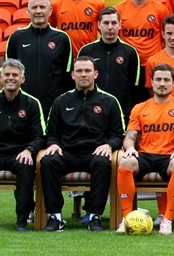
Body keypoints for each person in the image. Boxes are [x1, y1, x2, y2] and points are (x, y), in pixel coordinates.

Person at [40, 57, 124, 232]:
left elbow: (118, 134)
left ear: (95, 74)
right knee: (47, 162)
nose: (83, 75)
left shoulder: (109, 101)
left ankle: (94, 216)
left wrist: (109, 145)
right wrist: (53, 144)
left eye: (87, 71)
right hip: (68, 152)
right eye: (79, 71)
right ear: (72, 75)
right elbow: (52, 133)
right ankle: (55, 216)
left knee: (102, 163)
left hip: (95, 152)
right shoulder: (61, 102)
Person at [116, 64, 174, 235]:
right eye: (158, 79)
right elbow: (130, 136)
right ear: (151, 82)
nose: (162, 83)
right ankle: (127, 218)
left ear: (173, 83)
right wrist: (129, 148)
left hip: (169, 156)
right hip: (145, 155)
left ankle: (167, 219)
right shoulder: (140, 107)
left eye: (166, 80)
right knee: (125, 161)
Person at [0, 59, 45, 231]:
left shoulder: (32, 103)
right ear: (2, 78)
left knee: (26, 166)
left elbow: (40, 136)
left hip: (20, 152)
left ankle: (22, 219)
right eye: (7, 75)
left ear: (22, 79)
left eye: (15, 75)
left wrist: (29, 150)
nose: (11, 78)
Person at [5, 0, 73, 117]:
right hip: (24, 105)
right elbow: (10, 72)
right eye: (34, 7)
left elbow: (67, 74)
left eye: (42, 7)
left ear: (50, 11)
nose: (38, 11)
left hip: (54, 104)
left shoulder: (62, 38)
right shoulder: (16, 38)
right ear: (28, 11)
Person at [78, 6, 141, 119]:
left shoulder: (130, 52)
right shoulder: (86, 51)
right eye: (106, 23)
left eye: (114, 23)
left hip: (121, 113)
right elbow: (79, 84)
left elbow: (134, 88)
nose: (110, 27)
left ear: (120, 25)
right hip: (91, 112)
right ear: (98, 25)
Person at [115, 0, 169, 67]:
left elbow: (166, 39)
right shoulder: (118, 10)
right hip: (126, 65)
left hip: (153, 65)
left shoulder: (161, 10)